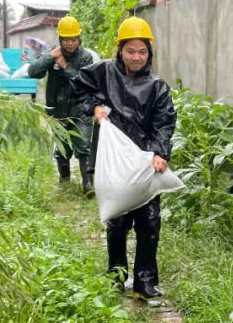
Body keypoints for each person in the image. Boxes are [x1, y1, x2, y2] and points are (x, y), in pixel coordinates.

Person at [73, 16, 176, 300]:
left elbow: (165, 122)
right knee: (117, 222)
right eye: (130, 50)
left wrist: (160, 152)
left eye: (142, 51)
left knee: (149, 222)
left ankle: (146, 281)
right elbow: (79, 88)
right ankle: (116, 277)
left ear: (149, 53)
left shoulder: (157, 86)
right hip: (113, 160)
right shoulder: (104, 72)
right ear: (120, 50)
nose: (136, 57)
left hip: (144, 162)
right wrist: (95, 107)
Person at [27, 15, 96, 195]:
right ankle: (64, 179)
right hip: (58, 110)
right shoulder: (53, 54)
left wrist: (65, 66)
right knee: (63, 147)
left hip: (80, 108)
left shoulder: (86, 57)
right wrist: (50, 58)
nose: (70, 43)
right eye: (67, 40)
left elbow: (83, 82)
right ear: (61, 39)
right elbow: (32, 72)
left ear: (79, 39)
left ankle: (88, 184)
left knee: (83, 145)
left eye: (74, 39)